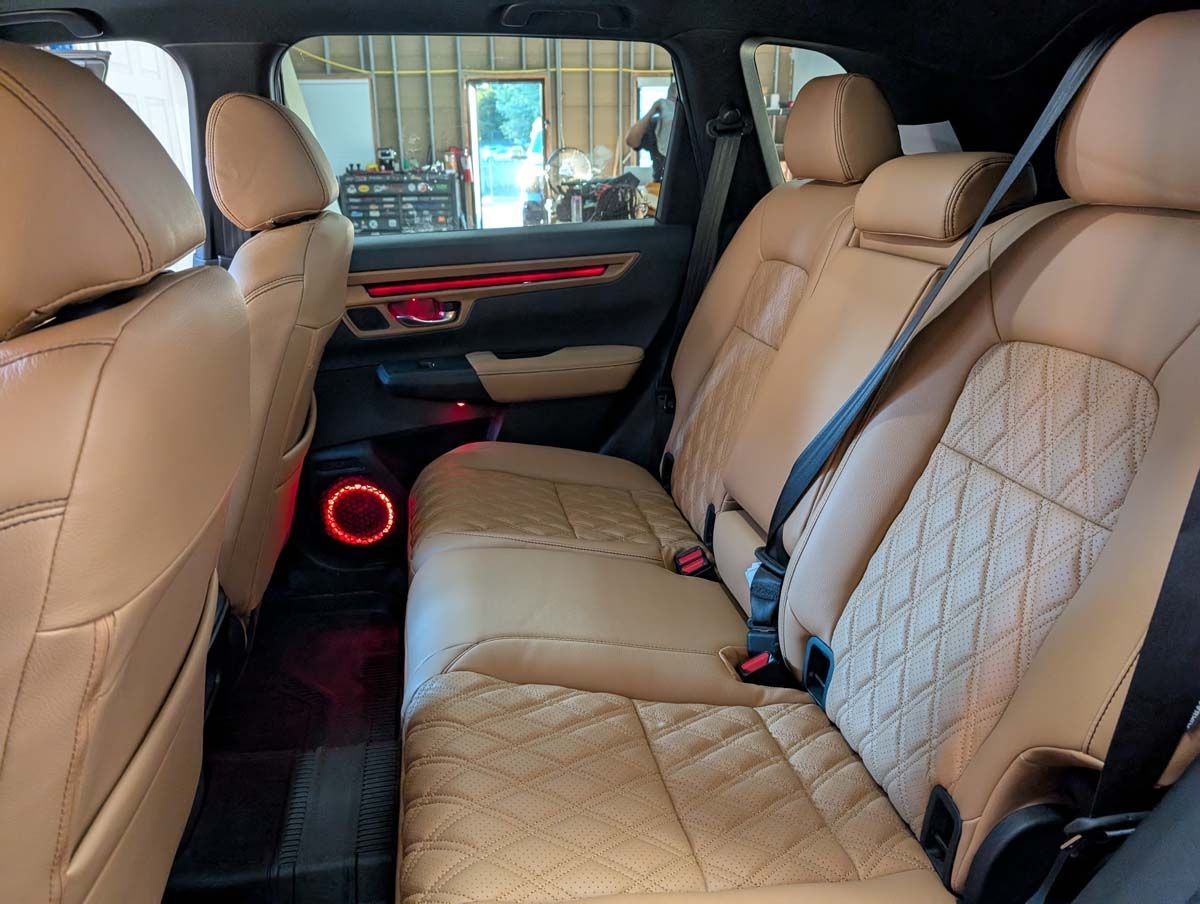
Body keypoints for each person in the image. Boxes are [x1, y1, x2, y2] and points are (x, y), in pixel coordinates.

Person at [624, 82, 676, 183]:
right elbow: (631, 141)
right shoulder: (655, 125)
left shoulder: (694, 124)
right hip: (662, 184)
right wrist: (653, 110)